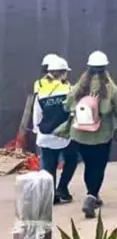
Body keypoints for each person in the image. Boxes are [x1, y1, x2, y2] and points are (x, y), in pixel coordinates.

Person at [63, 51, 117, 219]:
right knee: (98, 167)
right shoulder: (110, 88)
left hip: (80, 134)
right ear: (105, 68)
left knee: (88, 165)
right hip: (102, 135)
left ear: (89, 67)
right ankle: (92, 196)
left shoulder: (80, 86)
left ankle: (93, 195)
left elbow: (66, 104)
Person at [32, 56, 78, 204]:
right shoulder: (70, 90)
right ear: (63, 73)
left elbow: (37, 116)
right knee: (71, 160)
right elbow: (74, 112)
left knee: (48, 167)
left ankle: (50, 196)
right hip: (65, 136)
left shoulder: (41, 91)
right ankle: (62, 189)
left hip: (45, 135)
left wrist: (38, 131)